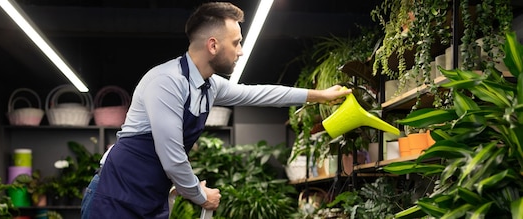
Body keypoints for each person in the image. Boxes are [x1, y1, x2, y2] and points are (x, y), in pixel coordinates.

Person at [81, 2, 352, 218]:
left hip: (149, 199)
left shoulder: (210, 86)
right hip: (115, 197)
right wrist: (200, 196)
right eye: (236, 42)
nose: (241, 51)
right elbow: (172, 156)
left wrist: (320, 96)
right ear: (213, 45)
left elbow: (259, 93)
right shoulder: (167, 82)